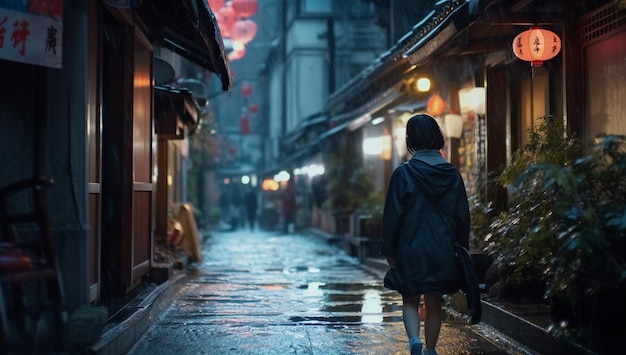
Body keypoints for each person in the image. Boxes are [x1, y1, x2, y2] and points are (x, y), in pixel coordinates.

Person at [380, 113, 470, 355]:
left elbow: (393, 215)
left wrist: (389, 249)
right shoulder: (451, 174)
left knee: (410, 298)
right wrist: (462, 248)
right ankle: (430, 349)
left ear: (411, 140)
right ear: (437, 137)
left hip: (410, 247)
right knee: (434, 300)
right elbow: (461, 215)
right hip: (442, 247)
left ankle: (414, 342)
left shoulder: (404, 173)